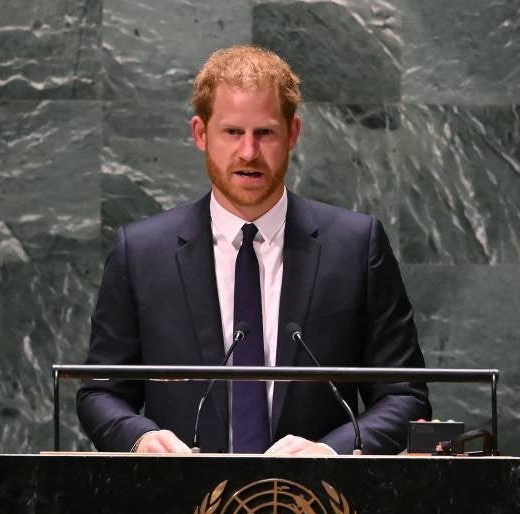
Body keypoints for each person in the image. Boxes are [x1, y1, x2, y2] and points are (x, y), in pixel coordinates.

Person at [77, 45, 430, 455]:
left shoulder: (355, 247)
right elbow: (100, 393)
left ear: (292, 134)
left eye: (265, 133)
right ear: (200, 134)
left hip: (318, 507)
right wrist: (139, 438)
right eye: (232, 132)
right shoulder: (140, 253)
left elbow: (406, 397)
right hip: (177, 503)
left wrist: (331, 452)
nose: (248, 152)